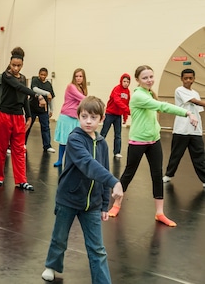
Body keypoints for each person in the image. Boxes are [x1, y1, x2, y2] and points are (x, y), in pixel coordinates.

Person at [41, 96, 124, 283]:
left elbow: (103, 170)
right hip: (68, 199)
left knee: (97, 249)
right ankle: (52, 266)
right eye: (84, 116)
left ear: (101, 119)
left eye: (93, 117)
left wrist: (104, 205)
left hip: (92, 205)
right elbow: (88, 164)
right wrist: (114, 182)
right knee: (59, 238)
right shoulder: (74, 139)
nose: (88, 121)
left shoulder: (102, 143)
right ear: (78, 116)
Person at [108, 65, 198, 227]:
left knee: (157, 175)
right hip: (138, 141)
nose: (149, 80)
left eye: (151, 76)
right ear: (137, 80)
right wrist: (187, 113)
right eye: (145, 78)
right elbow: (162, 106)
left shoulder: (149, 93)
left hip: (154, 140)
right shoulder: (138, 96)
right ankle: (116, 204)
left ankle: (160, 213)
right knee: (129, 173)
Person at [0, 47, 46, 191]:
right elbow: (19, 88)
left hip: (18, 117)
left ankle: (21, 180)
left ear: (22, 65)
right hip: (4, 115)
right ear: (10, 64)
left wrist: (28, 116)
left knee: (19, 149)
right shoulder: (6, 76)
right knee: (1, 148)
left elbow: (23, 97)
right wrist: (38, 95)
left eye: (18, 65)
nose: (16, 68)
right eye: (13, 65)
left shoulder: (22, 78)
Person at [162, 68, 205, 187]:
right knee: (176, 154)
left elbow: (198, 110)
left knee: (200, 156)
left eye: (190, 78)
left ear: (194, 79)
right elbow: (194, 102)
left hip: (195, 130)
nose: (188, 80)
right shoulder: (179, 90)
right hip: (181, 129)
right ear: (181, 79)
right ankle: (168, 175)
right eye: (185, 78)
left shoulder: (195, 92)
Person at [53, 68, 88, 167]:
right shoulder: (71, 87)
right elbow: (82, 99)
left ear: (83, 78)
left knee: (75, 141)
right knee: (64, 140)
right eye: (76, 76)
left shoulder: (83, 89)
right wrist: (95, 101)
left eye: (80, 76)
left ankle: (71, 161)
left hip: (75, 117)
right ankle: (60, 160)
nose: (78, 78)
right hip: (66, 117)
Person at [100, 73, 131, 158]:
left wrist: (125, 117)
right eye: (124, 81)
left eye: (128, 82)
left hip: (118, 116)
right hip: (110, 114)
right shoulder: (116, 89)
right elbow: (117, 101)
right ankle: (98, 148)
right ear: (121, 81)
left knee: (118, 134)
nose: (126, 83)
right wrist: (128, 111)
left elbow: (126, 104)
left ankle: (117, 152)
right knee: (104, 132)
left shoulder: (128, 92)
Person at [25, 67, 55, 153]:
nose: (43, 76)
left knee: (45, 127)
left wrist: (51, 109)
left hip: (43, 110)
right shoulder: (35, 80)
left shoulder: (48, 84)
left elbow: (50, 98)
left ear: (47, 75)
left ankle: (47, 146)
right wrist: (46, 93)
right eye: (41, 74)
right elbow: (35, 89)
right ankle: (22, 144)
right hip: (32, 108)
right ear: (39, 74)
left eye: (44, 75)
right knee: (28, 125)